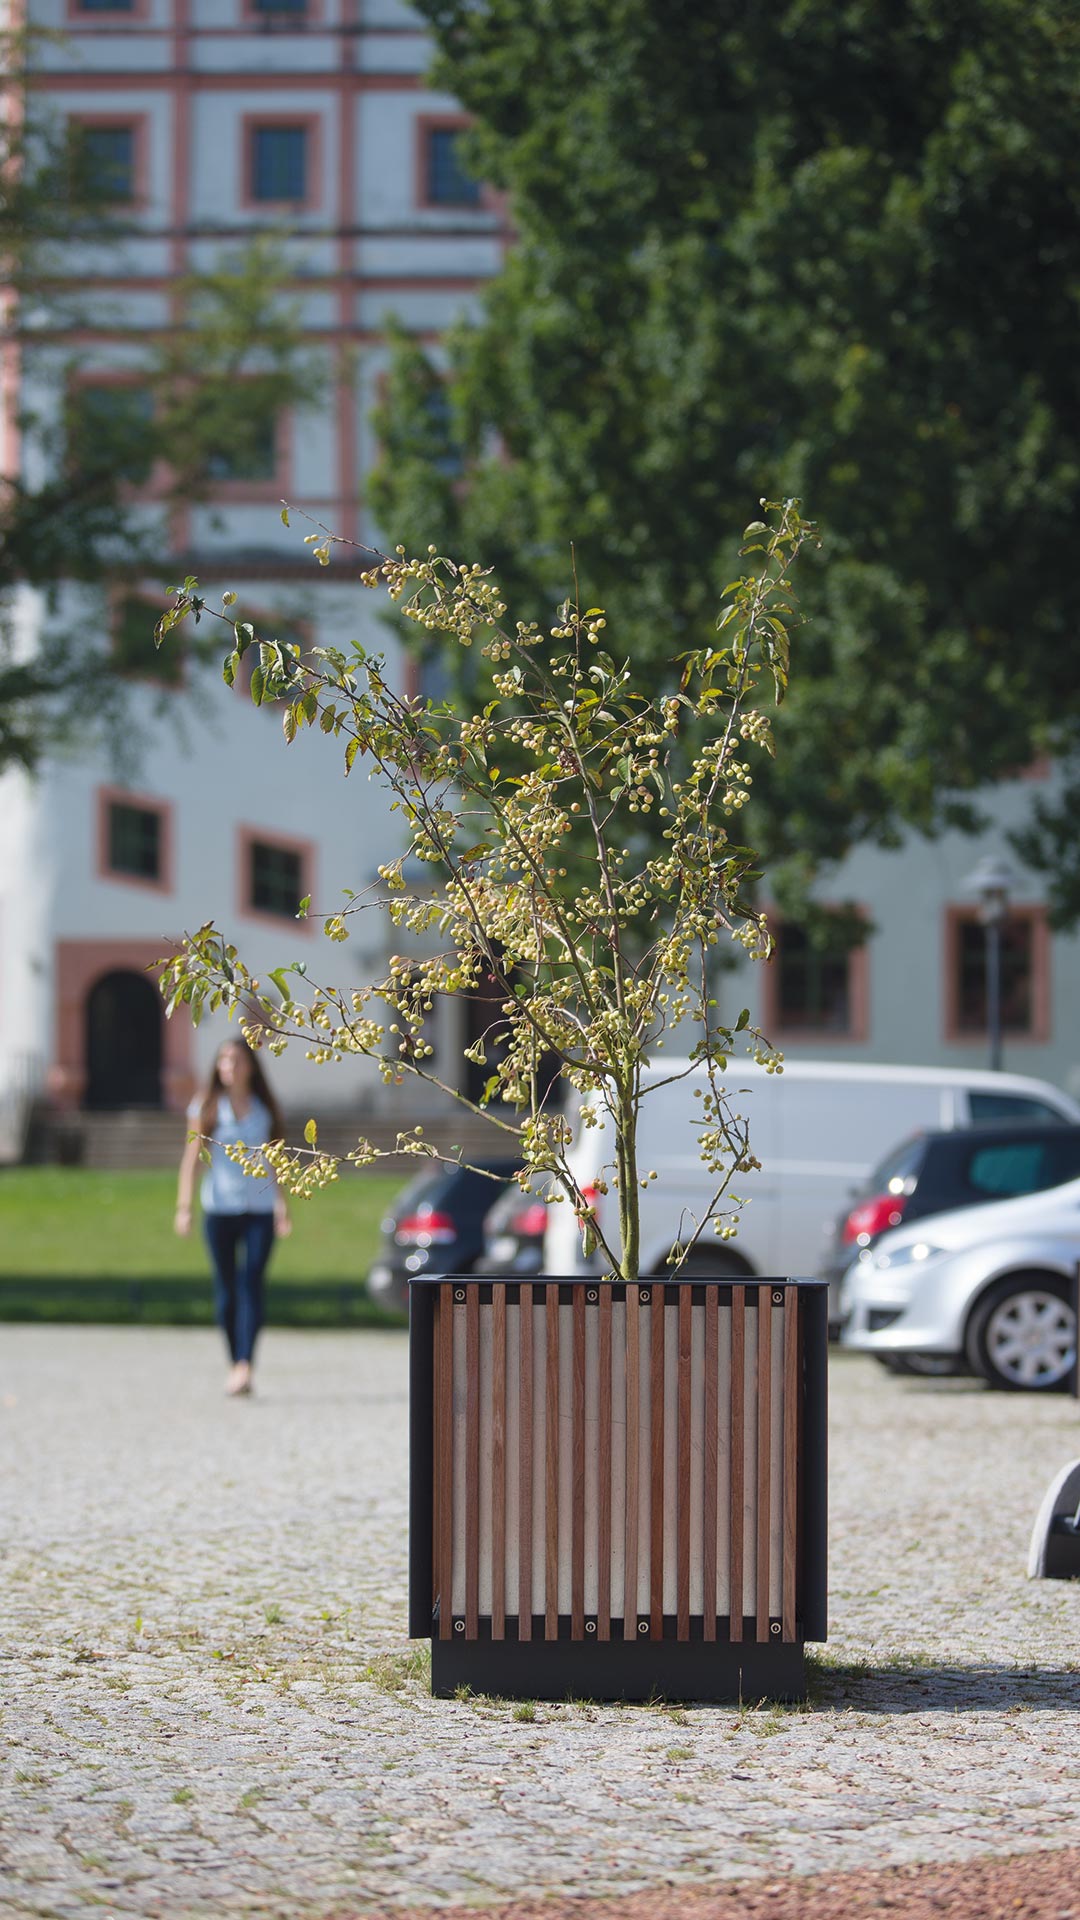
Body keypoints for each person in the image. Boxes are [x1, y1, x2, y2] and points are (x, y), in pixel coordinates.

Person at [175, 1038, 291, 1396]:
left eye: (236, 1061)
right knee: (227, 1290)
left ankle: (246, 1364)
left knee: (252, 1283)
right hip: (219, 1208)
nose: (229, 1067)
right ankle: (233, 1360)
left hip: (259, 1209)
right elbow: (192, 1158)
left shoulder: (263, 1108)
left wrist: (282, 1204)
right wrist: (184, 1207)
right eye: (224, 1060)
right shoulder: (207, 1106)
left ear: (250, 1066)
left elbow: (276, 1160)